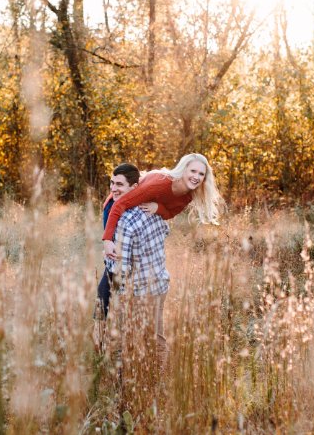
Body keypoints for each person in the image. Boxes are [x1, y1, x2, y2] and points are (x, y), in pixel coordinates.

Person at [102, 153, 222, 388]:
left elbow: (170, 214)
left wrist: (158, 207)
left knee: (142, 334)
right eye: (193, 171)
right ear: (183, 170)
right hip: (117, 207)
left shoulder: (187, 195)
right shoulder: (159, 185)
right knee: (113, 295)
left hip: (148, 281)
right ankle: (135, 378)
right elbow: (119, 205)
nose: (196, 177)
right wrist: (107, 239)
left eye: (201, 173)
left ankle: (149, 382)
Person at [95, 163, 157, 320]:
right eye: (112, 183)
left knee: (132, 317)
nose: (113, 188)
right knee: (101, 306)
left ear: (134, 187)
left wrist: (157, 206)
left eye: (119, 184)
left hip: (140, 272)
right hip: (115, 266)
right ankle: (99, 333)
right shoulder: (110, 205)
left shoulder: (142, 208)